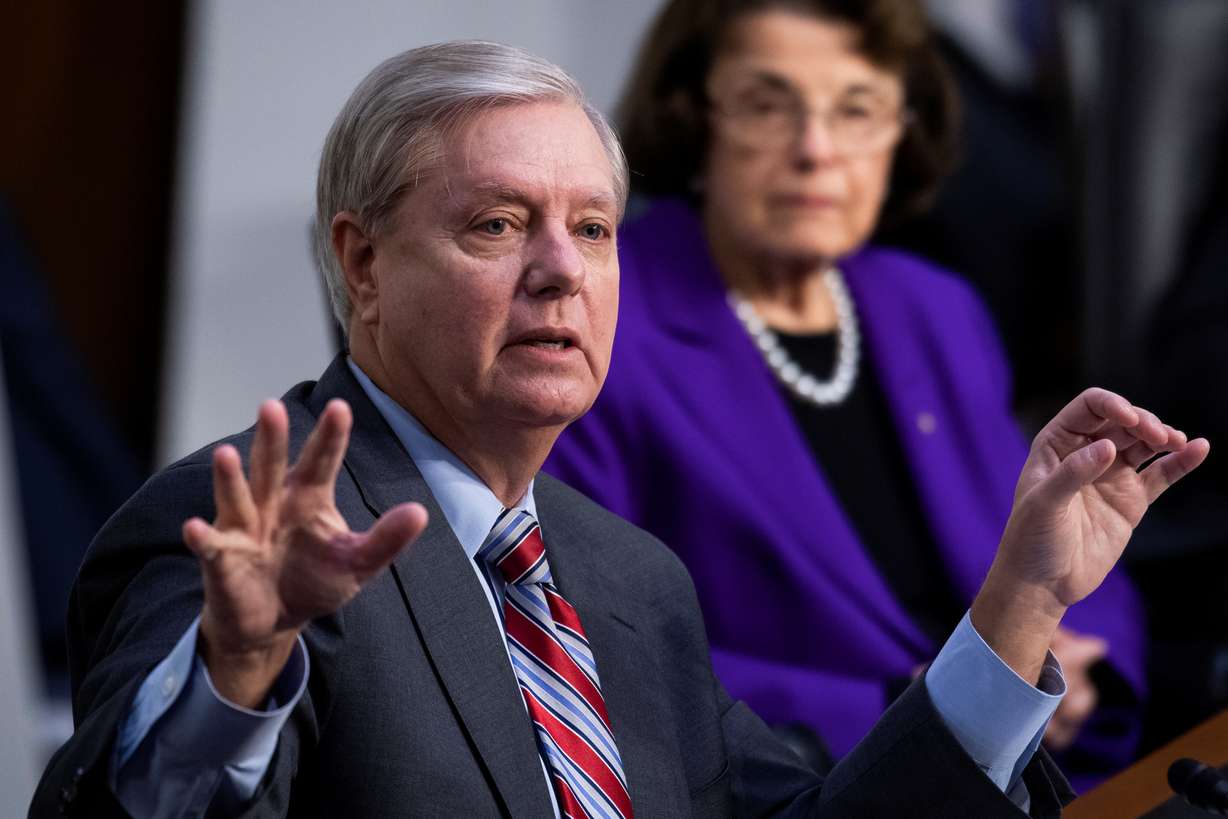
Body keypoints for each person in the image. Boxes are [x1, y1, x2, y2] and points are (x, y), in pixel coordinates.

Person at [30, 41, 1207, 818]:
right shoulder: (243, 543)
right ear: (362, 263)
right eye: (497, 224)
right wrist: (234, 678)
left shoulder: (628, 580)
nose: (559, 274)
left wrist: (1019, 604)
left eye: (592, 230)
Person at [543, 0, 1146, 777]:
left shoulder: (932, 305)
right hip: (809, 784)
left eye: (857, 108)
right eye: (768, 104)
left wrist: (1076, 655)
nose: (816, 149)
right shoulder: (603, 318)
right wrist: (925, 703)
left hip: (1025, 770)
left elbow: (1059, 525)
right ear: (693, 117)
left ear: (902, 129)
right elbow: (587, 639)